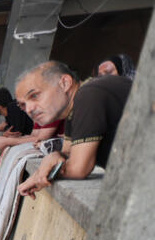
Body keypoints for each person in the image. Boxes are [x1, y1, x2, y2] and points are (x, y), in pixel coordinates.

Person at [17, 59, 132, 197]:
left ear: (65, 83)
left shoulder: (89, 95)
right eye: (24, 104)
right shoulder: (74, 109)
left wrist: (38, 176)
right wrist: (53, 156)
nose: (29, 109)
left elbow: (78, 169)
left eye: (35, 95)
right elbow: (68, 153)